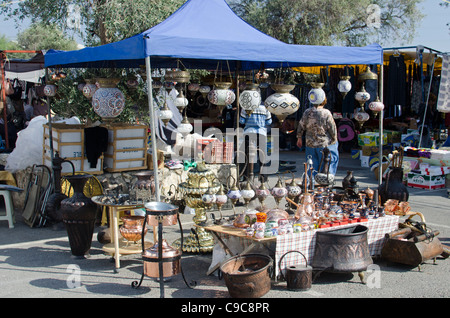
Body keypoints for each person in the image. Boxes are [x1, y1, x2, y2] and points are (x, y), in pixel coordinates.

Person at [296, 98, 339, 177]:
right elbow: (332, 128)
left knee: (311, 166)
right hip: (324, 144)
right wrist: (334, 139)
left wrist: (299, 138)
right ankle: (324, 184)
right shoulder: (326, 113)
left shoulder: (307, 112)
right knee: (326, 165)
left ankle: (312, 185)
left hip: (310, 143)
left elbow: (301, 125)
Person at [239, 104, 272, 179]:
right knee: (262, 155)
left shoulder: (246, 107)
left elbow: (241, 121)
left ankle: (246, 177)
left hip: (249, 132)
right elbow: (269, 122)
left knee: (246, 155)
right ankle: (263, 178)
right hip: (261, 133)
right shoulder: (265, 108)